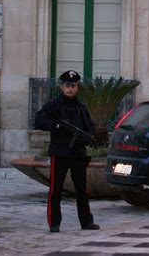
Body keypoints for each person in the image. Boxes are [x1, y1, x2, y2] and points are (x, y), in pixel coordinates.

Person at [35, 70, 100, 232]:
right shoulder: (53, 105)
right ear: (62, 87)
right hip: (60, 152)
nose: (70, 89)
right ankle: (54, 223)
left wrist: (87, 138)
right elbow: (39, 120)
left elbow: (89, 127)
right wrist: (57, 126)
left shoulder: (81, 107)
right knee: (55, 190)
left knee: (82, 190)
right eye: (67, 85)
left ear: (77, 88)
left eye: (73, 85)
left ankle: (86, 222)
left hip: (78, 153)